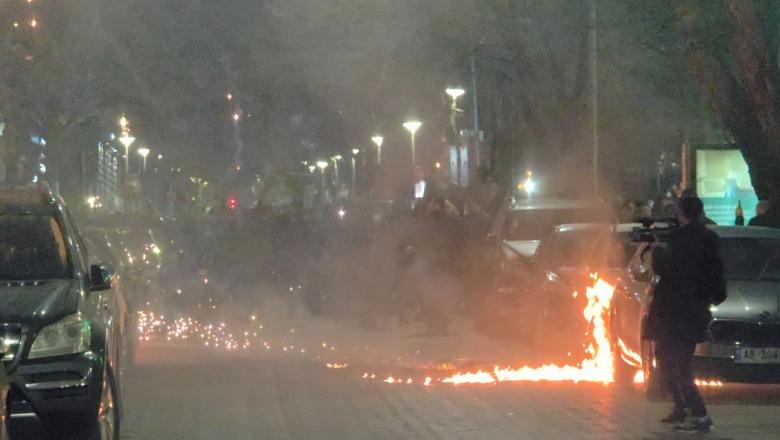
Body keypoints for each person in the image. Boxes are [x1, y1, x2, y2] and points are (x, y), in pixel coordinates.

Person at [646, 196, 726, 433]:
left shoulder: (681, 241)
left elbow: (667, 270)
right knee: (671, 359)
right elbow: (716, 274)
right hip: (693, 311)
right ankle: (681, 408)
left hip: (675, 312)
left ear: (681, 212)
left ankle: (699, 415)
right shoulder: (709, 238)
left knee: (676, 363)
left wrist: (656, 252)